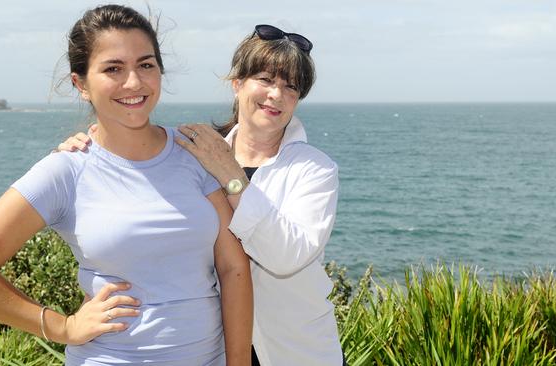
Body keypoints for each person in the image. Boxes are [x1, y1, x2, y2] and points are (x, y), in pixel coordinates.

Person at [0, 5, 252, 366]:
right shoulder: (66, 170)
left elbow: (233, 270)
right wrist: (62, 327)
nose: (134, 82)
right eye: (113, 69)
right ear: (81, 84)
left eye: (146, 64)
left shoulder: (194, 153)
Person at [60, 24, 344, 366]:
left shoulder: (315, 169)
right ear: (237, 83)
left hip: (297, 352)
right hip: (210, 349)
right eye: (266, 80)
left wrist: (232, 178)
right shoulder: (196, 151)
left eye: (291, 87)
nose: (276, 95)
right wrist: (86, 148)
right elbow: (134, 156)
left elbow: (287, 256)